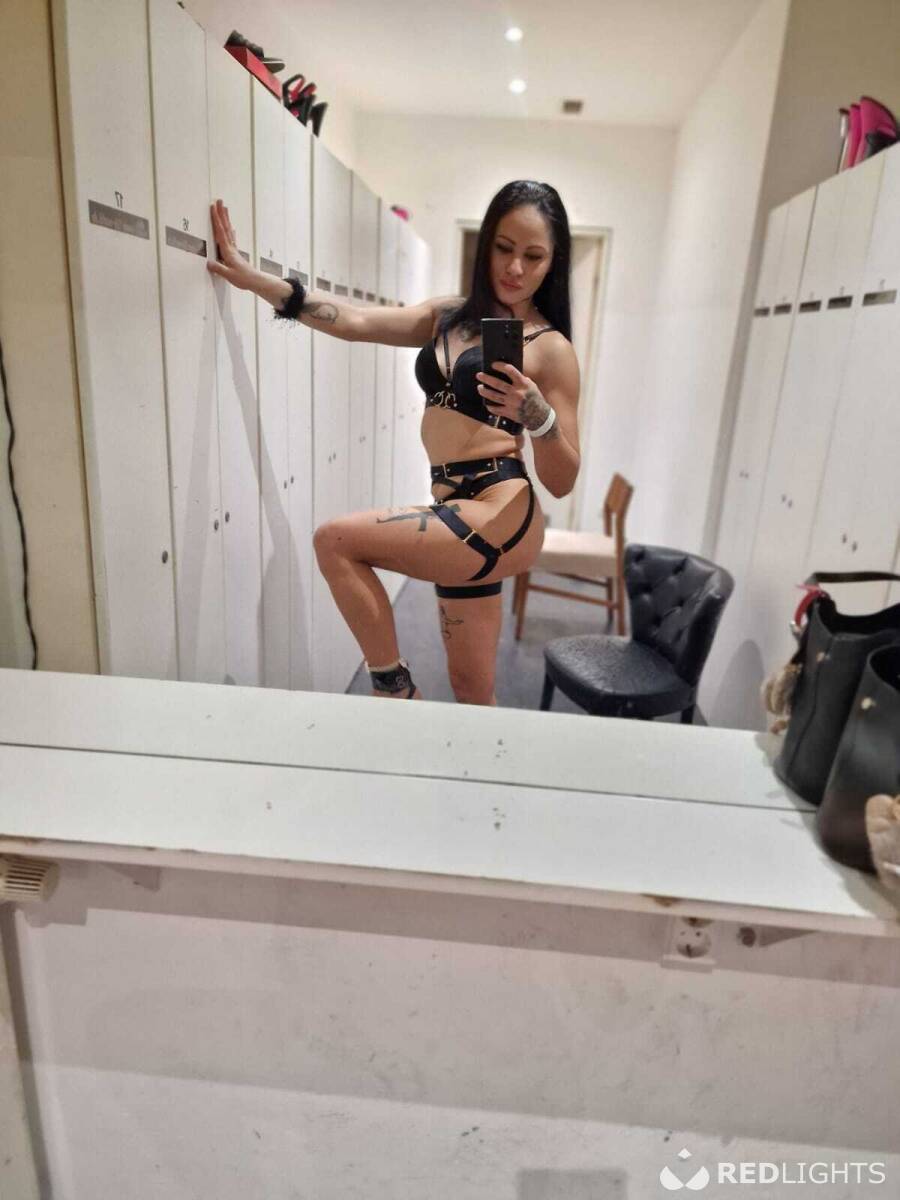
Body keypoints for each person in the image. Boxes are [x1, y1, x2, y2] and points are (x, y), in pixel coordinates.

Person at [207, 179, 580, 704]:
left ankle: (393, 690)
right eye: (503, 247)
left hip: (501, 510)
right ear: (485, 245)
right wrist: (256, 281)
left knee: (336, 541)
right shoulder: (448, 316)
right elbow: (355, 321)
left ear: (552, 263)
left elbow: (563, 481)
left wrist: (539, 419)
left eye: (533, 256)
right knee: (474, 689)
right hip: (455, 505)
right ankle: (477, 756)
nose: (515, 268)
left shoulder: (551, 347)